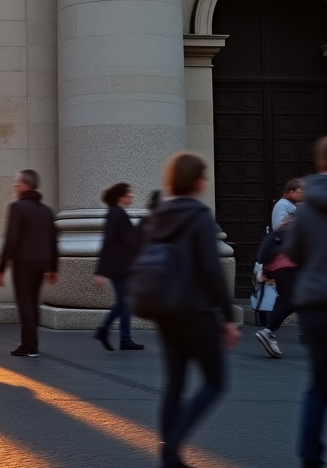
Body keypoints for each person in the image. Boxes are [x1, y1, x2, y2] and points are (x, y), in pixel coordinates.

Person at [144, 152, 240, 468]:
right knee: (215, 381)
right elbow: (211, 271)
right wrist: (228, 317)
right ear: (198, 182)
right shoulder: (199, 216)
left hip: (165, 309)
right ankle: (172, 446)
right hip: (196, 310)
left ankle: (168, 450)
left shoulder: (158, 215)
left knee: (174, 381)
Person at [287, 135, 327, 467]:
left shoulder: (306, 208)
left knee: (318, 388)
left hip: (315, 306)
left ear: (321, 163)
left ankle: (311, 456)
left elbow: (294, 252)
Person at [0, 169, 60, 358]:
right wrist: (53, 268)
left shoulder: (17, 207)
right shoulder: (47, 211)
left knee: (25, 303)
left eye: (18, 182)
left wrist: (1, 268)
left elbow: (12, 239)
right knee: (33, 302)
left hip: (23, 263)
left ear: (25, 185)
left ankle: (29, 346)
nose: (15, 185)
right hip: (41, 263)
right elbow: (53, 240)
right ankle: (32, 344)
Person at [93, 182, 144, 352]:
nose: (132, 196)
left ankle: (111, 332)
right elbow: (108, 243)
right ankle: (121, 336)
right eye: (129, 193)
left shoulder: (118, 213)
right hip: (120, 268)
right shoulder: (115, 214)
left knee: (124, 301)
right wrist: (101, 271)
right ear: (120, 196)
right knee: (125, 301)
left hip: (122, 266)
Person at [255, 211, 300, 359]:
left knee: (286, 298)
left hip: (278, 265)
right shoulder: (307, 220)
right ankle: (269, 331)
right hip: (290, 263)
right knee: (292, 299)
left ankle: (269, 331)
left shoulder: (284, 225)